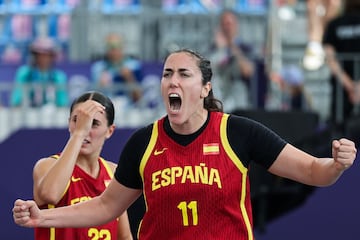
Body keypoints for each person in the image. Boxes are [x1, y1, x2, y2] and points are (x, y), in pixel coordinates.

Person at [13, 49, 357, 239]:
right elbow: (105, 207)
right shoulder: (144, 142)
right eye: (166, 74)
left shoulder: (238, 133)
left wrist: (336, 164)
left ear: (206, 88)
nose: (172, 80)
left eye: (183, 74)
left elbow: (313, 171)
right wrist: (42, 218)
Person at [31, 91, 133, 240]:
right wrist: (78, 134)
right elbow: (50, 195)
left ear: (110, 131)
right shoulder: (47, 165)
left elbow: (124, 236)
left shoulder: (113, 172)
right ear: (69, 124)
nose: (85, 130)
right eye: (78, 121)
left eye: (94, 123)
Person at [322, 0, 360, 130]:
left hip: (342, 87)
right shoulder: (334, 24)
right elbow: (330, 57)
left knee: (340, 132)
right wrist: (355, 86)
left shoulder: (335, 24)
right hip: (343, 90)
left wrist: (350, 85)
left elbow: (330, 58)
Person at [209, 9, 255, 112]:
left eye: (230, 23)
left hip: (239, 102)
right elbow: (208, 72)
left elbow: (248, 71)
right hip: (219, 100)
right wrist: (221, 49)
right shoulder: (213, 49)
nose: (228, 28)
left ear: (236, 25)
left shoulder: (245, 48)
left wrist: (232, 47)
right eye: (224, 24)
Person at [10, 36, 69, 107]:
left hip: (52, 116)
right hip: (27, 114)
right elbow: (16, 101)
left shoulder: (58, 76)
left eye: (47, 55)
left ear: (52, 57)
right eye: (39, 55)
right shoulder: (24, 73)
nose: (43, 58)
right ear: (34, 56)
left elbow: (62, 104)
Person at [91, 33, 142, 105]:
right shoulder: (98, 67)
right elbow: (93, 97)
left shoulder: (134, 66)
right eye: (110, 47)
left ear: (123, 47)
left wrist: (129, 77)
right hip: (105, 107)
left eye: (117, 46)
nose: (114, 50)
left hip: (129, 109)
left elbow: (139, 98)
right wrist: (100, 85)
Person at [303, 0, 342, 70]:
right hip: (317, 41)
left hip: (328, 39)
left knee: (334, 3)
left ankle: (322, 42)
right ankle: (315, 45)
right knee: (312, 5)